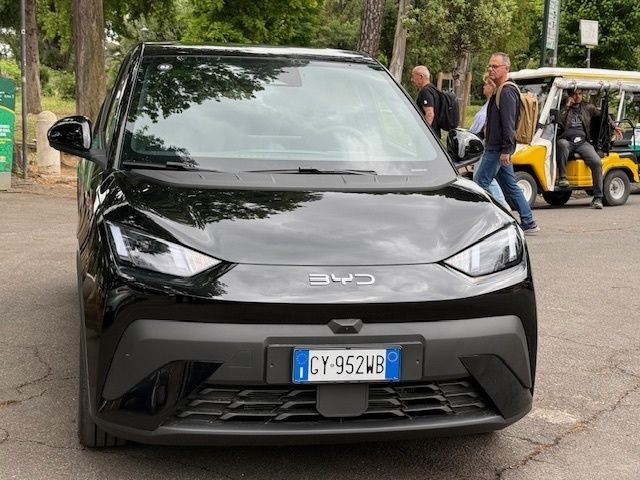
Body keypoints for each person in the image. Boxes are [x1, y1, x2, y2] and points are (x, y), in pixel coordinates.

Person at [473, 52, 539, 235]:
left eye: (495, 66)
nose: (491, 69)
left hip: (497, 149)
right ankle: (528, 222)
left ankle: (492, 221)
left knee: (480, 182)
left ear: (506, 69)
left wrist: (506, 150)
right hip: (498, 147)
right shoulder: (500, 89)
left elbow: (509, 124)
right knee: (510, 185)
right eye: (490, 66)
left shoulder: (507, 91)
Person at [556, 87, 622, 209]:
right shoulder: (562, 106)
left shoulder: (588, 107)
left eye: (580, 94)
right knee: (562, 144)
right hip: (567, 140)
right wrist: (566, 106)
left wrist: (613, 126)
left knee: (596, 161)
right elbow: (558, 121)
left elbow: (604, 116)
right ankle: (562, 177)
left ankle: (598, 197)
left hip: (582, 142)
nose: (578, 96)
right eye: (574, 94)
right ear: (569, 95)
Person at [470, 76, 508, 209]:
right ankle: (498, 205)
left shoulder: (491, 105)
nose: (483, 86)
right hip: (485, 144)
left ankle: (501, 205)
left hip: (488, 145)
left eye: (486, 84)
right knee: (485, 177)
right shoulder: (488, 104)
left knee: (482, 178)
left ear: (492, 87)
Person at [411, 65, 441, 138]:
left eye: (413, 76)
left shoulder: (425, 91)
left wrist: (422, 134)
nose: (411, 79)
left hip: (428, 136)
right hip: (435, 134)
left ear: (421, 77)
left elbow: (429, 114)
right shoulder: (433, 90)